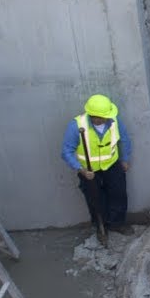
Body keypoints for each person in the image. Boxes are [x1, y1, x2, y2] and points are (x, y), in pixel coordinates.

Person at [61, 94, 132, 244]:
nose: (106, 118)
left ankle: (117, 224)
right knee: (95, 200)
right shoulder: (76, 126)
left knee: (119, 194)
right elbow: (66, 152)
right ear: (94, 117)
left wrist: (124, 159)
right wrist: (81, 170)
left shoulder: (113, 120)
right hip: (89, 171)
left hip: (112, 165)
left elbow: (124, 138)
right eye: (102, 117)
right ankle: (101, 227)